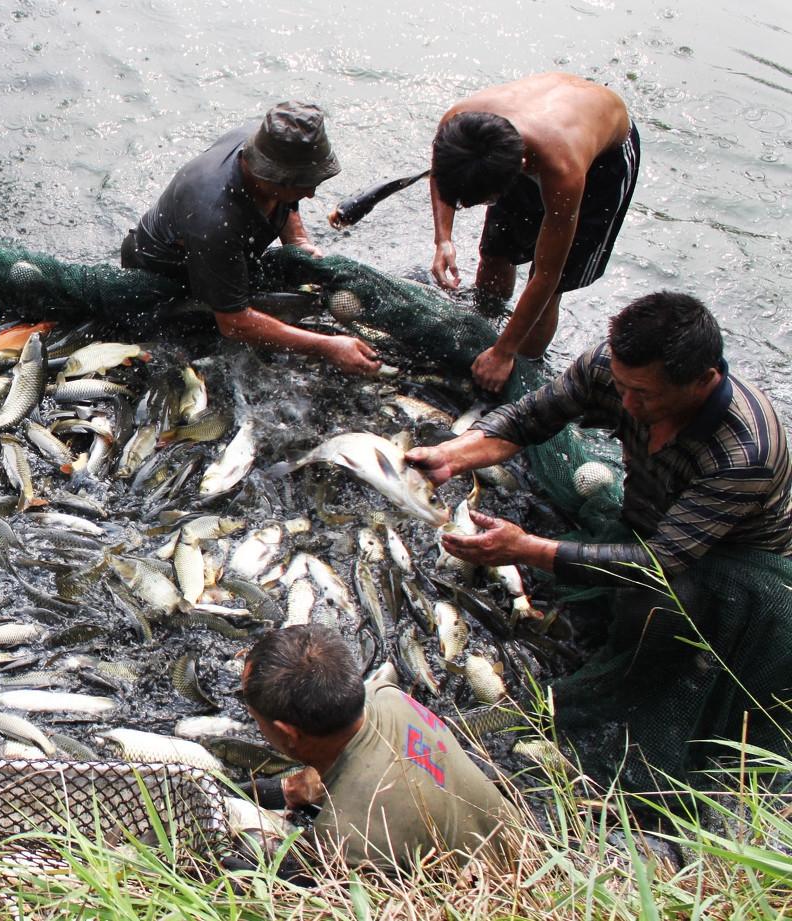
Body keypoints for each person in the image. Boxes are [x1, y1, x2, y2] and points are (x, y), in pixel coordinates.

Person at [406, 291, 792, 586]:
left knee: (650, 609)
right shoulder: (607, 365)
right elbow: (530, 418)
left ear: (703, 381)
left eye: (644, 394)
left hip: (734, 558)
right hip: (650, 515)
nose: (626, 402)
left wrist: (526, 549)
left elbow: (662, 562)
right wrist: (451, 456)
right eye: (622, 386)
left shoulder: (744, 456)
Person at [121, 101, 380, 376]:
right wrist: (327, 347)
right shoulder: (214, 219)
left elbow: (287, 197)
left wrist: (298, 242)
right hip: (164, 271)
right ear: (269, 176)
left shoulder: (267, 143)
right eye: (304, 185)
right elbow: (233, 322)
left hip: (225, 249)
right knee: (198, 349)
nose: (311, 195)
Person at [240, 625, 517, 872]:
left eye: (253, 715)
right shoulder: (387, 696)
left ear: (288, 733)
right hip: (522, 843)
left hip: (489, 891)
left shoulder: (346, 836)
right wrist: (286, 790)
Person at [427, 73, 640, 392]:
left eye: (489, 199)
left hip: (603, 161)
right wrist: (443, 239)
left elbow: (547, 275)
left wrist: (504, 353)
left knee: (551, 286)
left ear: (522, 165)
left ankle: (522, 367)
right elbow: (442, 176)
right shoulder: (457, 127)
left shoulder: (563, 169)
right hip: (529, 127)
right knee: (496, 253)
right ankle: (487, 320)